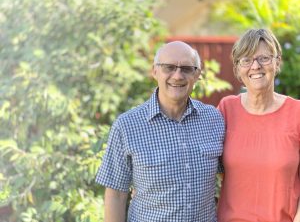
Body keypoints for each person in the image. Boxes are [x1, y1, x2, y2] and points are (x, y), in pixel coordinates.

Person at [95, 41, 225, 222]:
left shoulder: (214, 120)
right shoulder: (127, 126)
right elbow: (116, 193)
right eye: (169, 67)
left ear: (197, 75)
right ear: (155, 71)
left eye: (186, 69)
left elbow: (229, 176)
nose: (178, 76)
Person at [217, 28, 300, 222]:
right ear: (238, 68)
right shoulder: (226, 109)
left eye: (263, 58)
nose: (255, 66)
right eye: (246, 60)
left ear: (277, 62)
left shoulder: (297, 113)